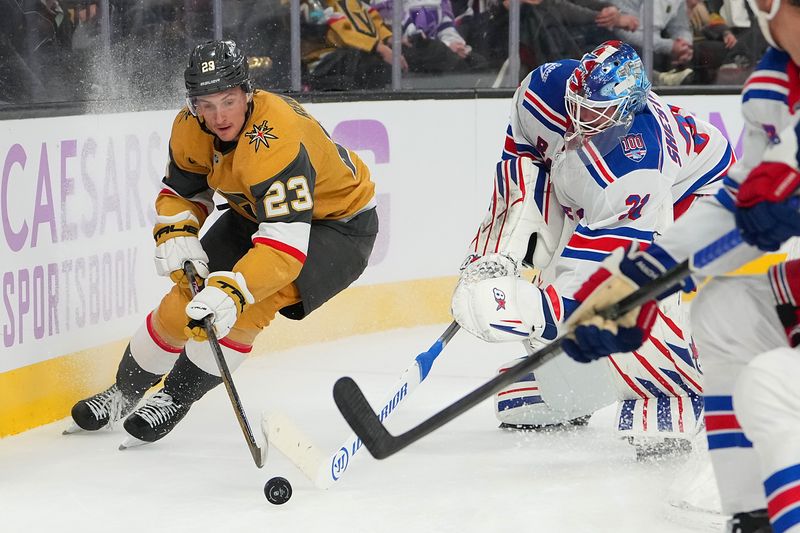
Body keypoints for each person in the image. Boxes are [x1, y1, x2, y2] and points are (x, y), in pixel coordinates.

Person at [559, 1, 800, 530]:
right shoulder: (777, 88)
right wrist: (639, 279)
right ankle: (755, 514)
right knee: (724, 310)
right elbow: (737, 206)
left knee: (773, 386)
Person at [65, 39, 379, 445]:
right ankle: (123, 393)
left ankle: (174, 398)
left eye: (228, 101)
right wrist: (176, 232)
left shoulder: (277, 137)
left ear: (248, 93)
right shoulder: (188, 126)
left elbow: (284, 248)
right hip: (253, 213)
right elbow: (184, 191)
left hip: (335, 227)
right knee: (187, 297)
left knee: (244, 308)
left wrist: (233, 290)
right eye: (206, 104)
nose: (218, 115)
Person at [450, 40, 735, 457]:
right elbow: (523, 172)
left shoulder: (638, 164)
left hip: (699, 196)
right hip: (594, 191)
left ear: (624, 112)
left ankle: (670, 391)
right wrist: (495, 258)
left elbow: (611, 275)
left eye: (595, 111)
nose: (579, 117)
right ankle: (573, 383)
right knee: (551, 283)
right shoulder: (543, 90)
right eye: (577, 102)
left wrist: (534, 311)